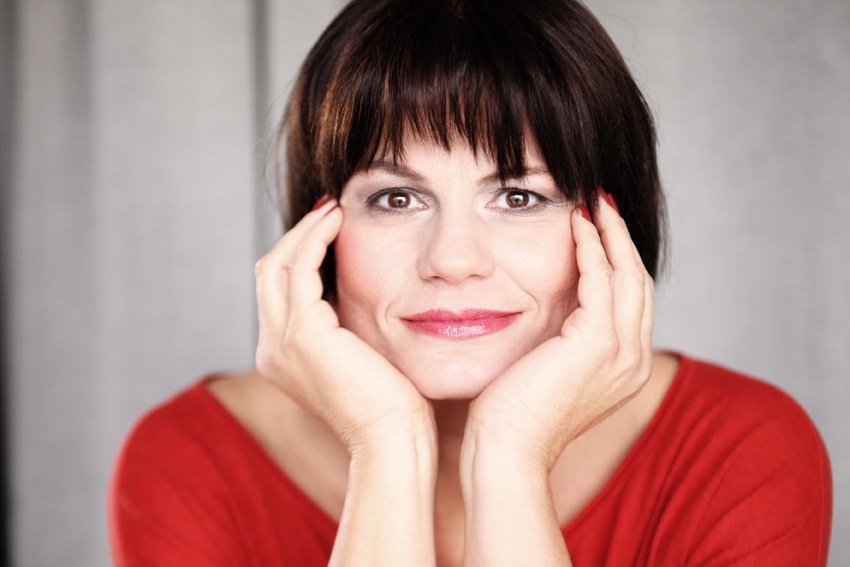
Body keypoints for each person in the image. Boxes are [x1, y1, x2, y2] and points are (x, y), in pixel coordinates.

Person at [108, 0, 832, 565]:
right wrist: (383, 446)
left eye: (518, 196)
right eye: (397, 197)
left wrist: (510, 458)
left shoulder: (744, 452)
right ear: (316, 231)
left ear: (611, 225)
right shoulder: (188, 462)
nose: (453, 260)